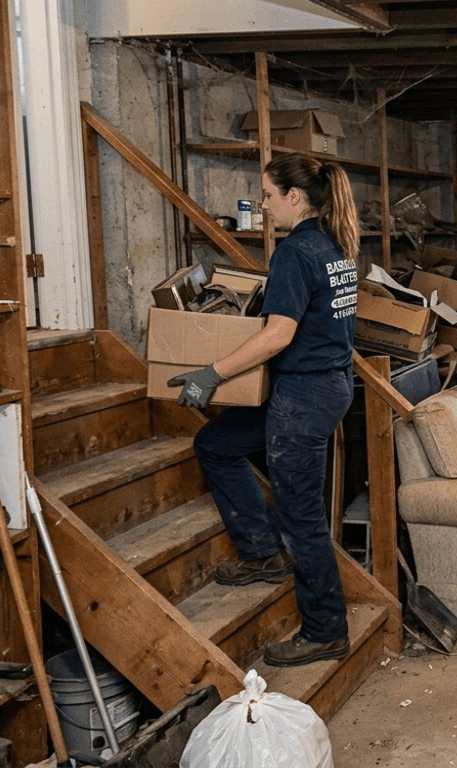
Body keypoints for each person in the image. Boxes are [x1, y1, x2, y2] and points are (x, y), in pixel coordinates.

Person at [167, 153, 360, 668]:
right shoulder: (334, 241)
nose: (266, 205)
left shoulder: (296, 251)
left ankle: (325, 630)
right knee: (215, 444)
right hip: (323, 385)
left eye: (269, 196)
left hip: (304, 396)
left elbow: (280, 333)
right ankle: (261, 551)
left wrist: (212, 373)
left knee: (301, 517)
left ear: (294, 197)